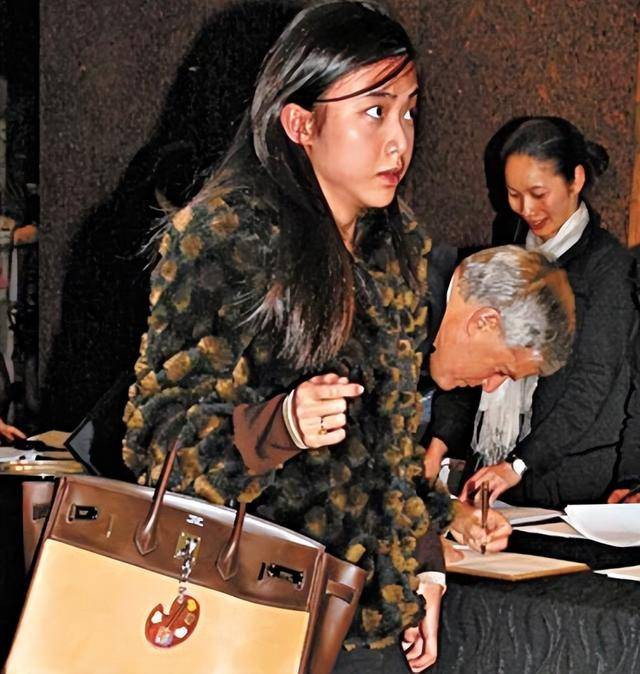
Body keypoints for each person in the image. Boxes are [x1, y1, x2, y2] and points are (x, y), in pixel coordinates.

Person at [122, 6, 573, 671]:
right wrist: (278, 426)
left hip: (364, 620)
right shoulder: (229, 236)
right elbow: (156, 440)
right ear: (300, 123)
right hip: (254, 611)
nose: (399, 142)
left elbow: (391, 451)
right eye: (375, 112)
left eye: (410, 113)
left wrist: (425, 570)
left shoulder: (394, 248)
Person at [447, 117, 636, 508]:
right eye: (514, 194)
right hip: (496, 465)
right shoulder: (510, 243)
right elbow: (471, 351)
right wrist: (441, 439)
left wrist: (520, 463)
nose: (526, 209)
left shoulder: (608, 266)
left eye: (538, 193)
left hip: (567, 478)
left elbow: (593, 381)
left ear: (575, 180)